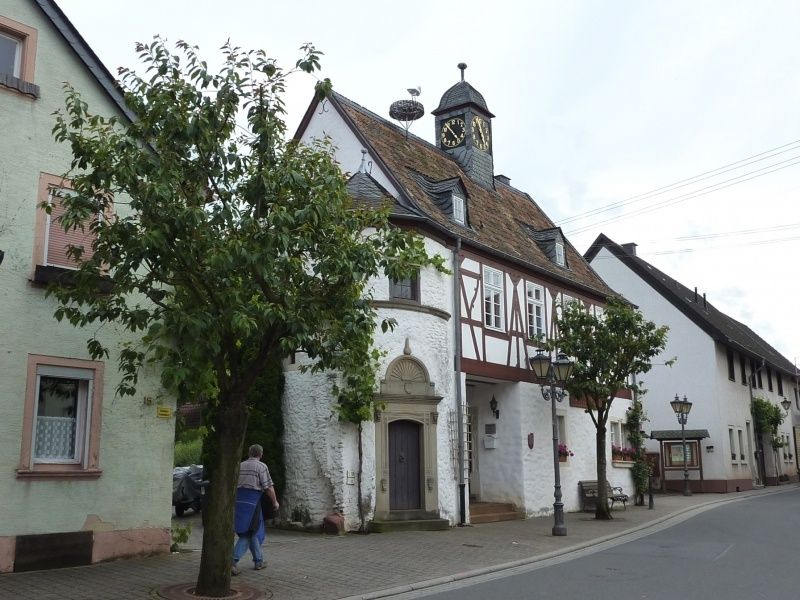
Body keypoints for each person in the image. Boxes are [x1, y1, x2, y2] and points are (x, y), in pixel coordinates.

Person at [232, 444, 279, 575]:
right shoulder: (261, 467)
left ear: (249, 453)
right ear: (261, 454)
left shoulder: (240, 465)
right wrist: (275, 502)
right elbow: (268, 487)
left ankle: (259, 561)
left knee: (250, 532)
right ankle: (232, 562)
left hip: (239, 502)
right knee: (248, 533)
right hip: (252, 503)